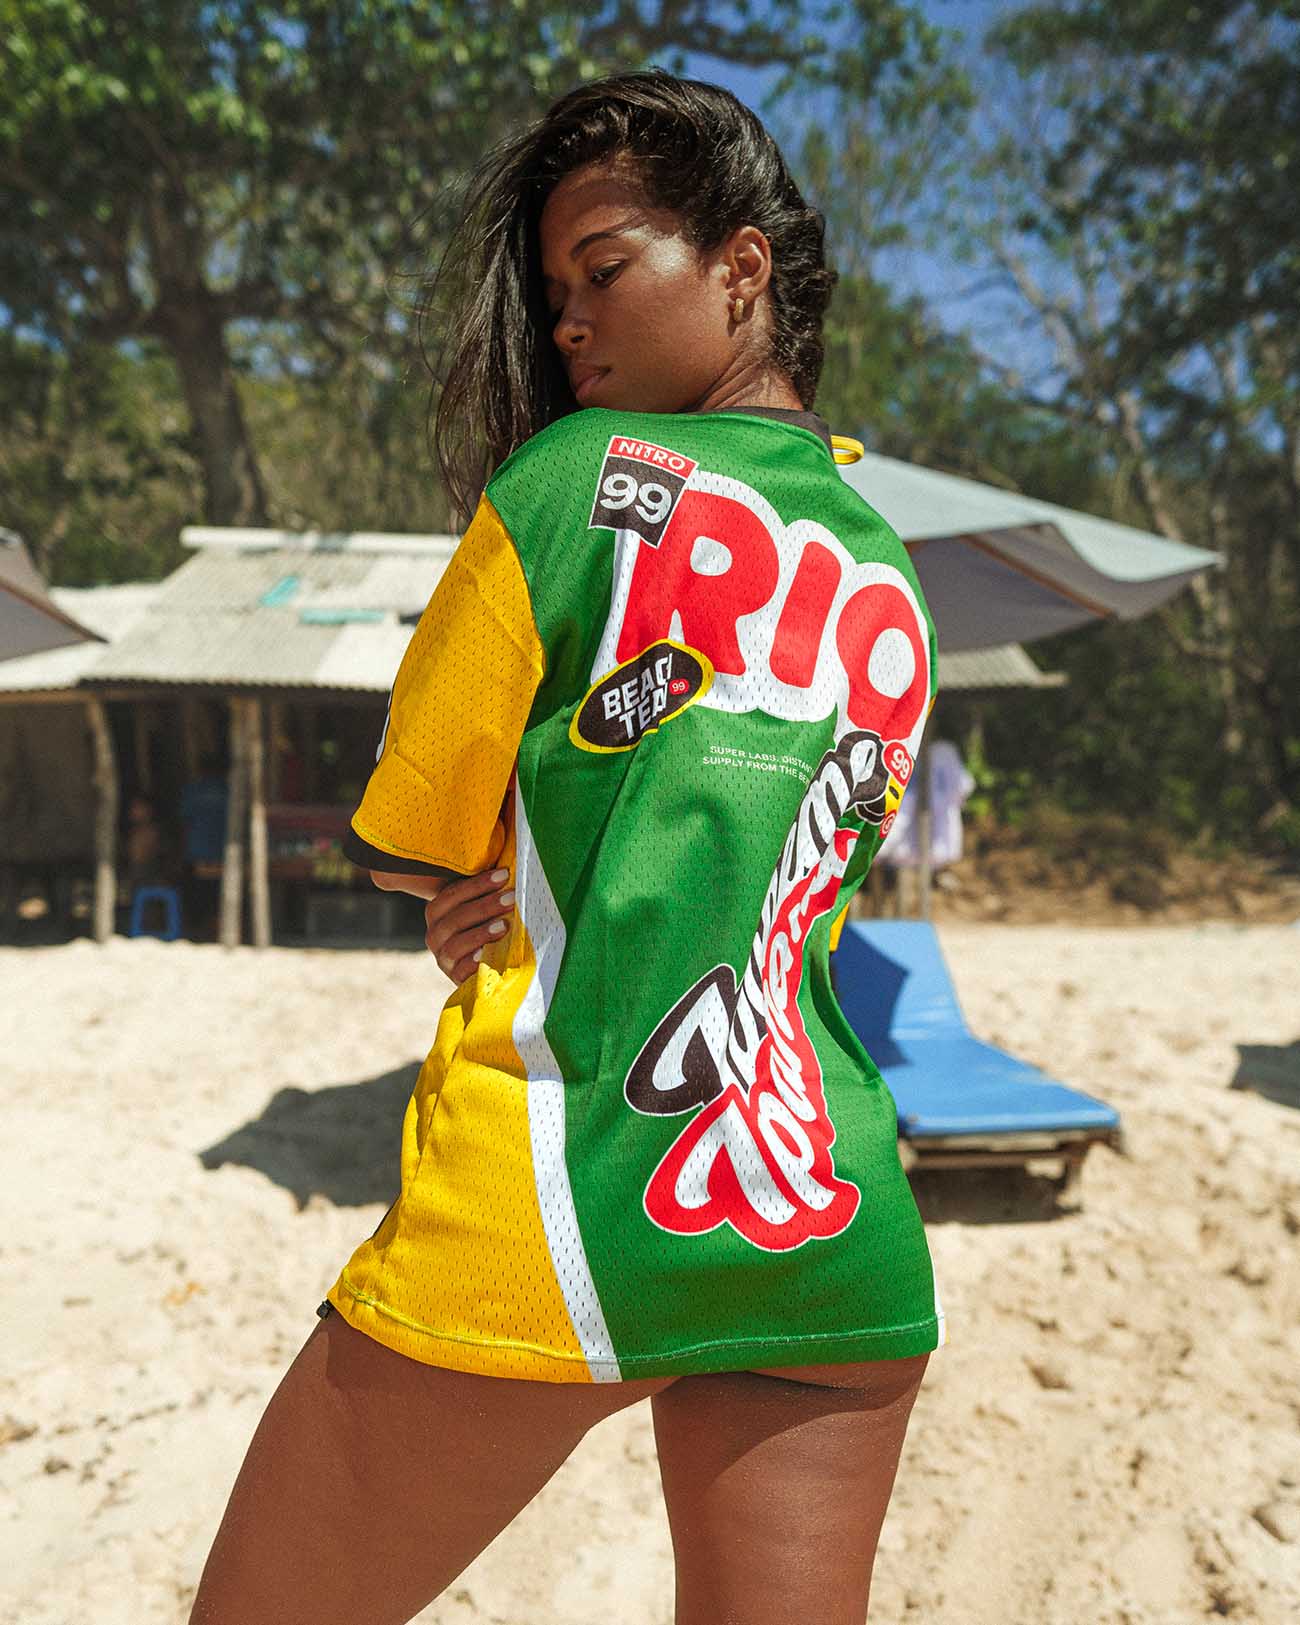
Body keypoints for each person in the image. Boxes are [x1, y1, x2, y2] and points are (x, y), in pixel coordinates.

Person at [191, 70, 945, 1625]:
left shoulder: (562, 488)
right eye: (555, 299)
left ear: (743, 267)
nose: (569, 329)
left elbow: (416, 834)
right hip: (824, 1211)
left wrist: (458, 888)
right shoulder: (882, 562)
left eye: (602, 271)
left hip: (564, 1176)